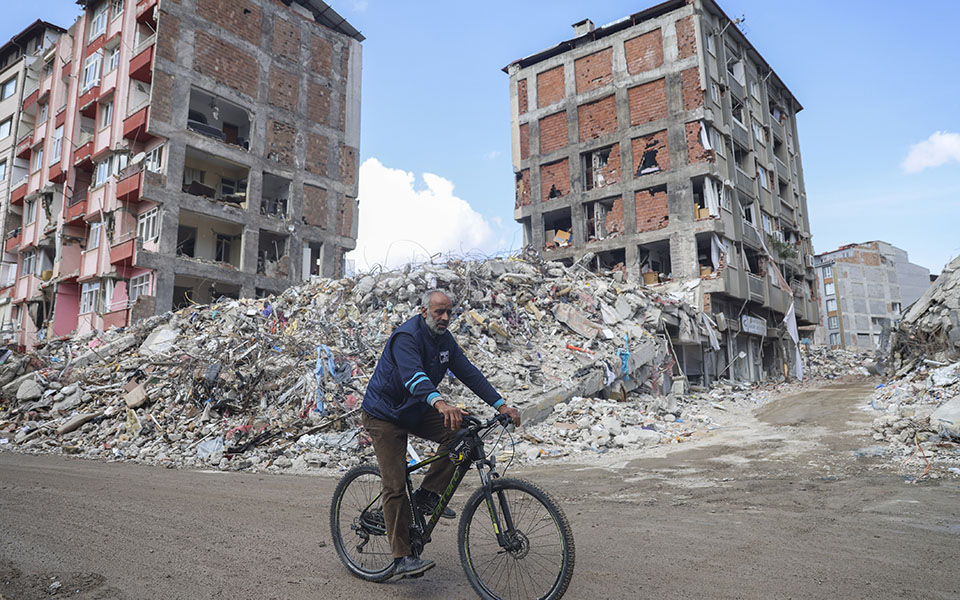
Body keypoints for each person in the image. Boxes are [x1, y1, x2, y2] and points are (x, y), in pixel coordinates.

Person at [361, 289, 522, 579]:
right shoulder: (406, 337)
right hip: (385, 415)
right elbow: (413, 376)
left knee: (463, 434)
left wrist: (501, 405)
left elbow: (468, 373)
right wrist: (439, 403)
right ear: (424, 312)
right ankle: (401, 558)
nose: (446, 317)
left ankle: (427, 494)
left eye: (449, 312)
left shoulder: (444, 340)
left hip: (415, 409)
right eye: (439, 312)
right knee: (395, 485)